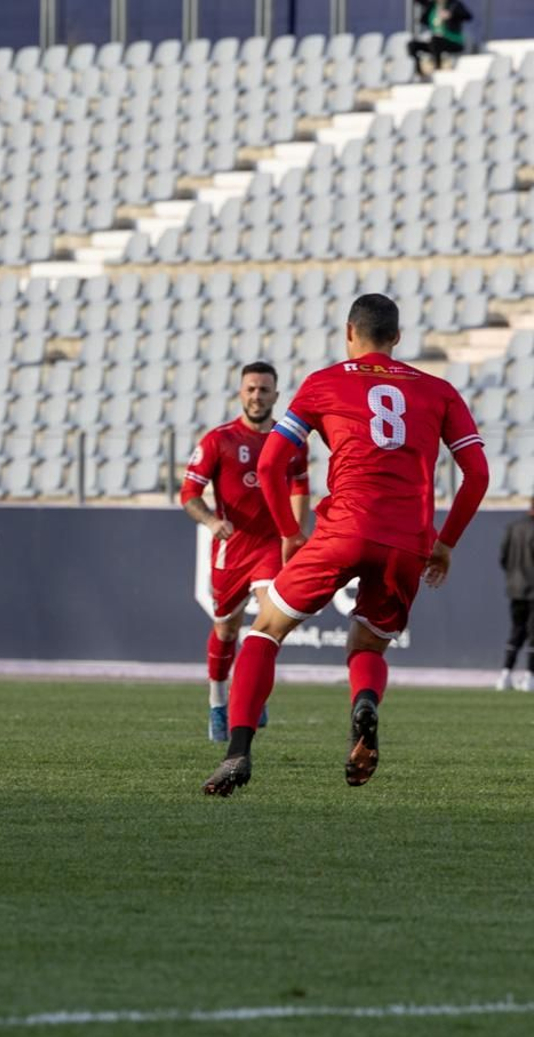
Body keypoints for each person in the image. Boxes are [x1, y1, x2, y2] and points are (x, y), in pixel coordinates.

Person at [202, 295, 488, 796]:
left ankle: (238, 753)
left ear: (349, 332)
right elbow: (477, 475)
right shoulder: (439, 391)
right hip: (407, 541)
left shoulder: (323, 382)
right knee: (368, 645)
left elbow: (270, 465)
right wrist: (445, 543)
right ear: (397, 338)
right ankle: (364, 705)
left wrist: (290, 533)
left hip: (343, 530)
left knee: (264, 633)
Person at [181, 362, 310, 742]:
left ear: (276, 395)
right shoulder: (217, 440)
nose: (257, 396)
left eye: (264, 390)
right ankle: (218, 702)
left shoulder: (290, 442)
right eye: (251, 389)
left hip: (271, 546)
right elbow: (189, 494)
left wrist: (296, 534)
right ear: (241, 393)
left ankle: (249, 692)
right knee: (226, 628)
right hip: (231, 549)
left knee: (271, 621)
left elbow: (300, 486)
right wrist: (209, 521)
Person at [496, 499, 534, 691]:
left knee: (516, 632)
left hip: (515, 589)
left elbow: (503, 558)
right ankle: (529, 677)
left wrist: (514, 578)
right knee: (532, 634)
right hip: (532, 589)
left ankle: (505, 674)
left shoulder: (513, 528)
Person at [409, 1, 471, 79]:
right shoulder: (432, 7)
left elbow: (468, 16)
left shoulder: (454, 4)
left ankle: (437, 69)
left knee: (435, 41)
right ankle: (419, 71)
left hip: (453, 41)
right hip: (435, 43)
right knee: (412, 45)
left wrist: (451, 15)